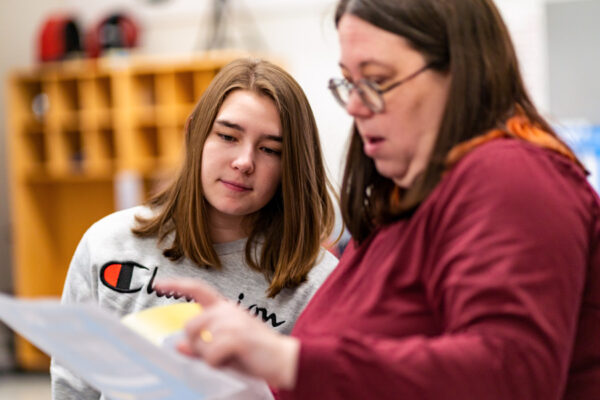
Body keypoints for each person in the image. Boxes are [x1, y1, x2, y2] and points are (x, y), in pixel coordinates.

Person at [154, 0, 600, 399]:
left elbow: (510, 373)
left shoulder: (511, 176)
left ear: (461, 71)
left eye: (378, 81)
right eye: (350, 82)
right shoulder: (411, 202)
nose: (354, 107)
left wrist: (286, 360)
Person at [50, 58, 339, 399]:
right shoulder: (107, 245)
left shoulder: (320, 283)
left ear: (291, 164)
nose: (244, 162)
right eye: (228, 136)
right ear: (194, 134)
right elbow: (74, 385)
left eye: (269, 149)